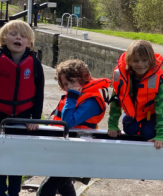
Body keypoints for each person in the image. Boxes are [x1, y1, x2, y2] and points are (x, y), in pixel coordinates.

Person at [37, 59, 111, 196]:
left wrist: (71, 97)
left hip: (76, 152)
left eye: (72, 81)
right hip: (63, 149)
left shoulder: (91, 101)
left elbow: (67, 122)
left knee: (45, 190)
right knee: (65, 186)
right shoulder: (74, 95)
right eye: (65, 84)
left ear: (84, 78)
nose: (69, 87)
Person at [0, 20, 44, 196]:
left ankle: (14, 192)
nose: (18, 37)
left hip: (23, 117)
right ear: (4, 38)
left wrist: (35, 120)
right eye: (13, 34)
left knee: (16, 159)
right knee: (1, 157)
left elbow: (39, 94)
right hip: (1, 115)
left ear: (29, 43)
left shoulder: (34, 64)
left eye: (23, 36)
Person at [108, 40, 163, 149]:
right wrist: (112, 125)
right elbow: (115, 102)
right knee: (129, 129)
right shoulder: (122, 78)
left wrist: (161, 134)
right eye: (136, 61)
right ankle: (136, 126)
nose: (140, 64)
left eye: (144, 60)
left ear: (151, 61)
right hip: (132, 113)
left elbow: (162, 108)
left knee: (148, 134)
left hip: (150, 114)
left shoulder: (156, 81)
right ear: (129, 61)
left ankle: (147, 128)